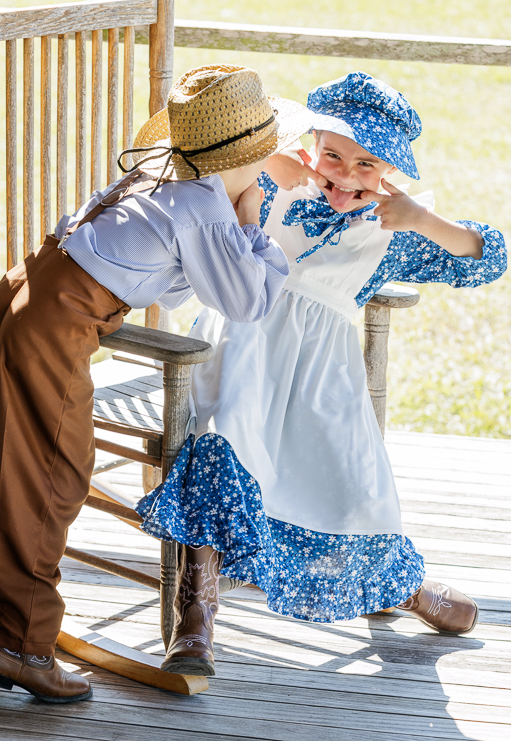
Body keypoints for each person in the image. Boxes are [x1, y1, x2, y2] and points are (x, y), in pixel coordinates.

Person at [0, 63, 312, 703]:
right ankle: (22, 645)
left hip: (19, 290)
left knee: (2, 450)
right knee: (54, 473)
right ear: (254, 157)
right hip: (57, 317)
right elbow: (249, 301)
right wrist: (255, 223)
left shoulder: (161, 169)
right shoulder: (209, 210)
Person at [136, 71, 507, 677]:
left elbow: (487, 256)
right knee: (224, 438)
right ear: (309, 143)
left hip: (321, 376)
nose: (344, 173)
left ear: (391, 173)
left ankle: (399, 584)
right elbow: (178, 179)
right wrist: (268, 167)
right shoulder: (269, 181)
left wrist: (421, 220)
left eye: (366, 164)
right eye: (332, 153)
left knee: (352, 478)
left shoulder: (395, 225)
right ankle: (196, 617)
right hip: (244, 345)